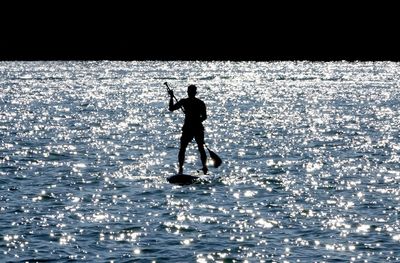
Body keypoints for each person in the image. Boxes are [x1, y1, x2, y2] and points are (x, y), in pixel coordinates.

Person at [168, 85, 208, 175]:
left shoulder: (186, 102)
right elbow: (204, 117)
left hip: (192, 128)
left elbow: (171, 108)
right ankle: (202, 168)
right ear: (195, 92)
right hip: (194, 128)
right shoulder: (199, 102)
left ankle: (183, 169)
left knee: (186, 149)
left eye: (189, 91)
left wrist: (171, 97)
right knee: (197, 148)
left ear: (190, 92)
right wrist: (171, 96)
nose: (189, 93)